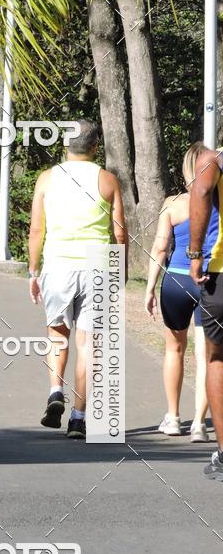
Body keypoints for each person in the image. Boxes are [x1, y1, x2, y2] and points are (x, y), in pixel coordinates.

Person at [27, 119, 128, 439]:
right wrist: (119, 270)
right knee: (89, 345)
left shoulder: (47, 179)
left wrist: (33, 270)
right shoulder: (107, 180)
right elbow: (119, 231)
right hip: (97, 265)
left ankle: (56, 390)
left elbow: (36, 230)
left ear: (65, 145)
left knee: (58, 334)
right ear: (96, 146)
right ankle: (78, 418)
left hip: (58, 263)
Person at [145, 142, 218, 441]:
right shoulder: (217, 203)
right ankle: (200, 424)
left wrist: (149, 288)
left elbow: (161, 247)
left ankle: (173, 417)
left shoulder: (172, 204)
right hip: (208, 279)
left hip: (175, 281)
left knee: (174, 349)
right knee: (206, 355)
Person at [189, 145, 223, 477]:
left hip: (221, 273)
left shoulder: (213, 160)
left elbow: (200, 190)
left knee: (217, 358)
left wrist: (195, 252)